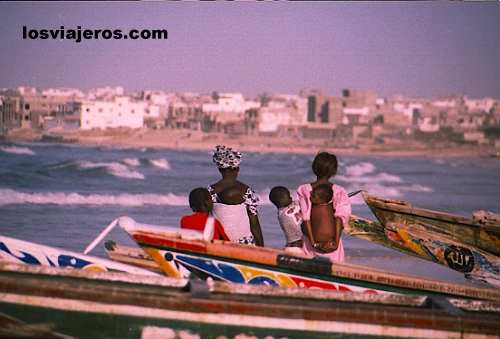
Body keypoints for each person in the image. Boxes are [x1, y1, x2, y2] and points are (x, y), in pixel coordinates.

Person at [296, 152, 351, 262]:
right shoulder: (339, 191)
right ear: (334, 171)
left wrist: (313, 243)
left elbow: (302, 218)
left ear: (314, 168)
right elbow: (341, 219)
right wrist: (334, 244)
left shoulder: (304, 190)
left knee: (308, 274)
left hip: (309, 245)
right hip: (332, 245)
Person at [208, 145, 264, 246]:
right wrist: (261, 247)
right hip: (246, 243)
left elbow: (207, 220)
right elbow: (254, 224)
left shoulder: (210, 191)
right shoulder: (247, 191)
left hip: (220, 243)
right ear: (237, 169)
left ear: (220, 170)